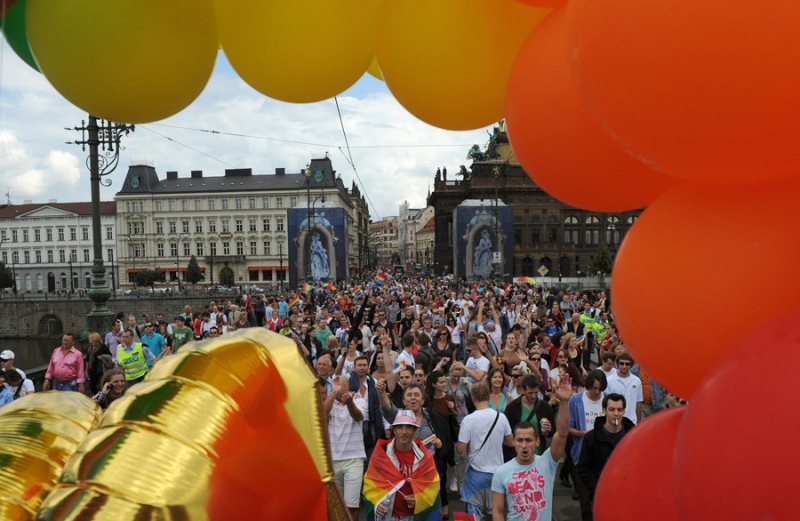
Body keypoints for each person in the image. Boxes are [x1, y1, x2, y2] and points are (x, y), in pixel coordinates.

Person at [491, 371, 572, 521]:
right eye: (520, 440)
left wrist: (564, 402)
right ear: (513, 442)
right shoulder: (501, 472)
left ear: (537, 442)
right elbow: (497, 511)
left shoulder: (547, 462)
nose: (524, 445)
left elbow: (561, 433)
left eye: (528, 440)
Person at [363, 411, 441, 521]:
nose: (404, 432)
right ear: (394, 430)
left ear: (415, 430)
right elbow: (370, 486)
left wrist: (418, 499)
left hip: (414, 517)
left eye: (409, 427)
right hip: (388, 517)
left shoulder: (425, 457)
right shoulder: (381, 454)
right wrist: (376, 504)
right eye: (399, 427)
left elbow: (433, 487)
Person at [457, 382, 514, 520]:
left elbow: (460, 449)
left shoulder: (468, 420)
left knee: (473, 514)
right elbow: (510, 442)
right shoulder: (501, 417)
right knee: (495, 512)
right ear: (488, 397)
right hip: (497, 475)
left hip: (476, 475)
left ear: (473, 398)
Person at [576, 393, 635, 512]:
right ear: (604, 410)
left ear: (624, 411)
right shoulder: (591, 438)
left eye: (619, 409)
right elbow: (583, 468)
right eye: (612, 409)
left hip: (628, 497)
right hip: (601, 497)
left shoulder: (633, 436)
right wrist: (598, 489)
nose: (616, 414)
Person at [324, 374, 366, 521]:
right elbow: (322, 413)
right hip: (333, 461)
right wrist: (334, 392)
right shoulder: (330, 401)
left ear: (346, 386)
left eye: (337, 384)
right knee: (337, 505)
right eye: (332, 384)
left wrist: (349, 404)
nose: (333, 385)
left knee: (352, 505)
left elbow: (358, 416)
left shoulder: (359, 400)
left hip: (354, 460)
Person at [568, 370, 608, 520]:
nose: (597, 392)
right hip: (582, 457)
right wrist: (585, 434)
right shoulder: (576, 400)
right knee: (586, 503)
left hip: (603, 457)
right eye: (594, 388)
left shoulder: (608, 400)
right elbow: (569, 428)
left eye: (600, 389)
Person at [503, 375, 555, 461]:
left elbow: (552, 432)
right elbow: (507, 433)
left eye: (536, 392)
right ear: (523, 390)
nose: (534, 396)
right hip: (517, 457)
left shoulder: (545, 407)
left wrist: (549, 429)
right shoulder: (512, 407)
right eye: (530, 393)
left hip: (538, 456)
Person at [605, 353, 643, 425]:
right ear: (617, 364)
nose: (624, 366)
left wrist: (639, 421)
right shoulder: (609, 380)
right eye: (621, 363)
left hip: (631, 421)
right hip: (614, 421)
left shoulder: (637, 381)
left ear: (631, 365)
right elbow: (606, 402)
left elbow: (638, 402)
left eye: (627, 364)